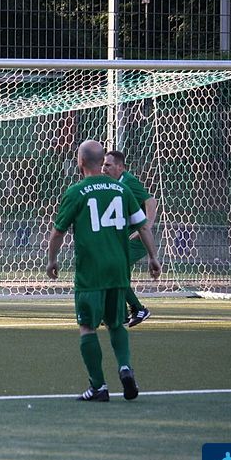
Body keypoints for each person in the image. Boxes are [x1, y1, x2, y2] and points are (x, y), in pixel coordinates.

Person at [46, 140, 161, 402]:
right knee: (116, 323)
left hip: (91, 272)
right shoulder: (122, 190)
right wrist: (153, 257)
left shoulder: (77, 191)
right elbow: (143, 226)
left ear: (80, 162)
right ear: (101, 162)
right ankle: (125, 367)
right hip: (118, 269)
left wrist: (52, 260)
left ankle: (98, 386)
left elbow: (58, 232)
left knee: (87, 327)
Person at [102, 151, 158, 327]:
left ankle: (138, 309)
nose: (104, 168)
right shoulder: (111, 184)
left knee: (113, 271)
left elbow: (151, 201)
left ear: (120, 167)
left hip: (137, 239)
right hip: (123, 239)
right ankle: (120, 315)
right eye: (103, 164)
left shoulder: (128, 182)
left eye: (108, 165)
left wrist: (147, 225)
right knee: (114, 273)